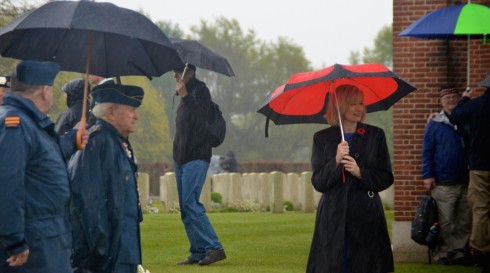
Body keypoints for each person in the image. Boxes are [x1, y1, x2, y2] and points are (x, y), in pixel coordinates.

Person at [0, 60, 87, 273]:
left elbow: (41, 162)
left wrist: (72, 140)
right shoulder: (15, 123)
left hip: (45, 238)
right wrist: (14, 241)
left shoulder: (28, 122)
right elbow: (7, 182)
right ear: (45, 91)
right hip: (34, 244)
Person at [306, 85, 394, 273]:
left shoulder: (376, 135)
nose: (358, 108)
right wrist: (336, 159)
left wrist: (360, 172)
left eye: (361, 103)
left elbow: (386, 177)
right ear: (339, 107)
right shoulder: (321, 138)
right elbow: (319, 182)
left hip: (366, 213)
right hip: (333, 215)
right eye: (352, 103)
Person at [68, 83, 145, 273]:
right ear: (111, 112)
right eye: (131, 110)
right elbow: (88, 200)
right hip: (107, 255)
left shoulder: (118, 142)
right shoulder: (97, 142)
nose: (136, 116)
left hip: (124, 250)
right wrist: (102, 250)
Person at [172, 63, 226, 266]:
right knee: (185, 208)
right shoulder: (183, 94)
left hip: (196, 156)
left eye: (177, 71)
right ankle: (198, 251)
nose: (174, 75)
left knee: (190, 202)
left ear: (189, 72)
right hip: (181, 157)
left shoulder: (201, 91)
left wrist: (185, 95)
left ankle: (214, 247)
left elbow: (200, 119)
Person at [422, 86, 472, 265]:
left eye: (454, 97)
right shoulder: (434, 124)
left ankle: (459, 253)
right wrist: (427, 175)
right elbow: (427, 152)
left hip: (466, 180)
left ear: (459, 99)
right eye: (446, 98)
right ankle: (443, 253)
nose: (451, 100)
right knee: (446, 222)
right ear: (440, 102)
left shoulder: (465, 121)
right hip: (443, 182)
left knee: (464, 221)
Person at [449, 74, 490, 272]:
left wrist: (464, 97)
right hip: (479, 164)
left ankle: (481, 250)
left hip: (480, 166)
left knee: (480, 209)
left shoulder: (476, 105)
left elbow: (455, 117)